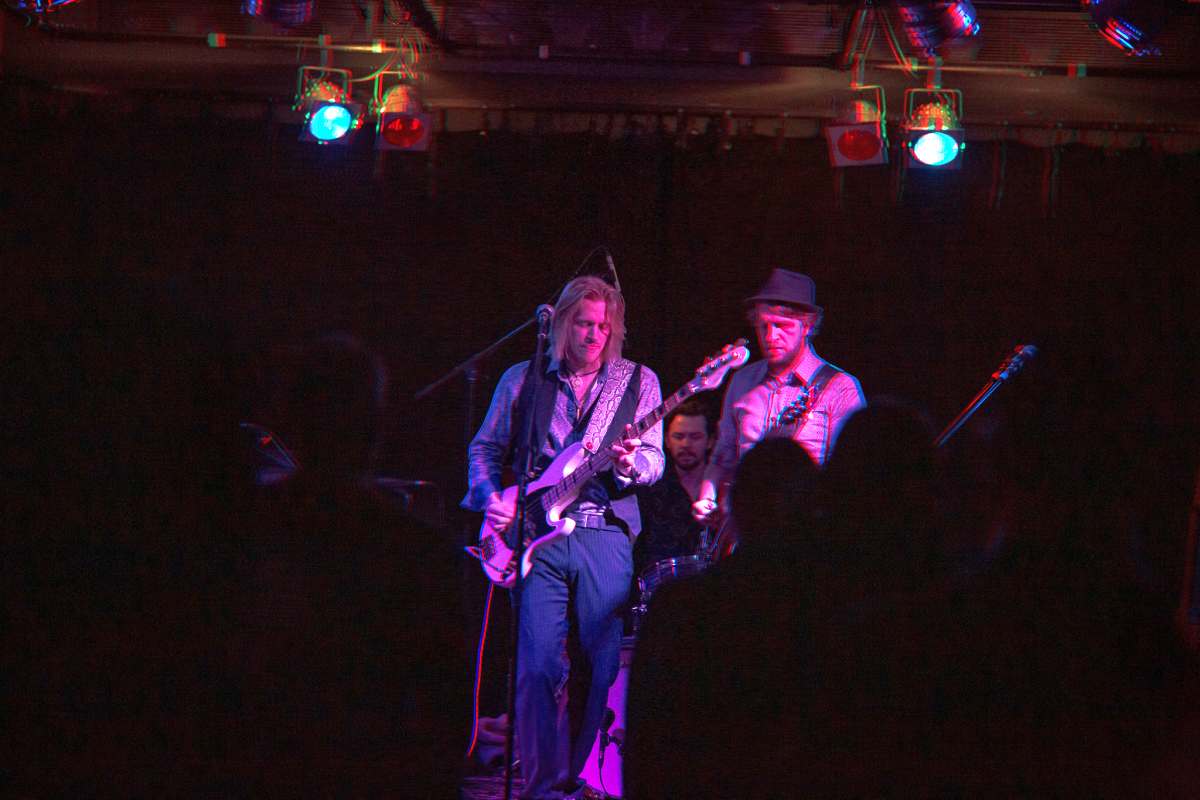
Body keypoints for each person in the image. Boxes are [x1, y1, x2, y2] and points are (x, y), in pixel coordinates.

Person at [463, 275, 665, 800]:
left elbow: (655, 461)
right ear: (560, 323)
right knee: (536, 666)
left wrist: (630, 463)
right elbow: (484, 448)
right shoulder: (523, 377)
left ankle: (571, 776)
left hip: (604, 532)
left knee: (599, 668)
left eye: (605, 326)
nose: (595, 335)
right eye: (584, 323)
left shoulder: (638, 381)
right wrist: (491, 496)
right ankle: (543, 789)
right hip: (536, 537)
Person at [693, 268, 864, 529]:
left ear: (807, 325)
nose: (770, 336)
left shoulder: (840, 389)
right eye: (763, 326)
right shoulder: (741, 381)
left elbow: (851, 476)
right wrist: (707, 497)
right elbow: (721, 457)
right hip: (744, 534)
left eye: (782, 326)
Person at [633, 396, 717, 574]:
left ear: (710, 441)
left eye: (695, 437)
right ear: (666, 441)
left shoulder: (722, 488)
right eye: (678, 436)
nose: (686, 444)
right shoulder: (651, 489)